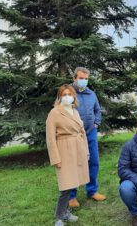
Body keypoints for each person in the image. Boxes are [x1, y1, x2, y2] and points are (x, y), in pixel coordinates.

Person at [46, 84, 90, 226]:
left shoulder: (74, 111)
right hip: (64, 151)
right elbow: (50, 138)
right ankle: (59, 216)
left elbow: (82, 132)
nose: (67, 97)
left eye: (69, 94)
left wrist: (86, 151)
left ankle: (65, 212)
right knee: (65, 186)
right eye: (64, 94)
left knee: (73, 184)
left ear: (73, 96)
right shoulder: (54, 112)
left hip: (77, 149)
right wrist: (55, 158)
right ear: (60, 96)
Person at [69, 67, 106, 208]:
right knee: (75, 164)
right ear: (74, 78)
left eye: (86, 79)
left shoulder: (92, 94)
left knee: (94, 162)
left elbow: (97, 110)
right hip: (74, 135)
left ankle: (92, 191)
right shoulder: (68, 93)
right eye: (80, 78)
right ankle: (71, 196)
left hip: (90, 133)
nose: (83, 81)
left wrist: (97, 123)